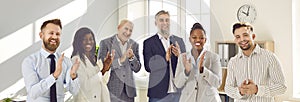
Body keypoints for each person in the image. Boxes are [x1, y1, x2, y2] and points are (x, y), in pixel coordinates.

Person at [225, 22, 287, 102]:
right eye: (238, 37)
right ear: (235, 40)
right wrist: (239, 91)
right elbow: (228, 88)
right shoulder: (233, 62)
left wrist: (257, 90)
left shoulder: (269, 57)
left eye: (245, 35)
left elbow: (282, 87)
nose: (242, 39)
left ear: (253, 36)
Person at [22, 19, 80, 102]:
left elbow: (74, 91)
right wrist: (54, 76)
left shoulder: (66, 61)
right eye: (51, 33)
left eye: (58, 34)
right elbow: (33, 93)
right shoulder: (30, 61)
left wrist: (73, 76)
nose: (55, 37)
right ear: (41, 35)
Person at [143, 10, 186, 102]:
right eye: (161, 20)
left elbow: (186, 66)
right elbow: (148, 67)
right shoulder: (149, 43)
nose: (165, 23)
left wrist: (180, 56)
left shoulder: (179, 41)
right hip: (158, 93)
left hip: (178, 92)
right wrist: (164, 58)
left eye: (167, 20)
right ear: (156, 23)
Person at [173, 23, 222, 102]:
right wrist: (186, 72)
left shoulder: (214, 57)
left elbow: (217, 84)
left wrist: (203, 70)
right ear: (190, 39)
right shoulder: (183, 57)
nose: (198, 40)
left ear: (205, 40)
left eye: (201, 38)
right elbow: (178, 84)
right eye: (194, 37)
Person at [98, 19, 141, 102]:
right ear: (118, 28)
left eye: (130, 30)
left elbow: (137, 69)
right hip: (112, 91)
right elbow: (101, 69)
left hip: (129, 92)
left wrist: (132, 57)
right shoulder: (105, 43)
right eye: (126, 29)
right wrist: (120, 61)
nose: (128, 32)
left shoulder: (134, 45)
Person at [71, 27, 115, 102]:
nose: (88, 42)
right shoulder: (76, 60)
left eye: (91, 39)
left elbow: (104, 81)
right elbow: (85, 86)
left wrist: (107, 67)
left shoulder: (95, 59)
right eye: (84, 39)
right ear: (78, 42)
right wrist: (102, 71)